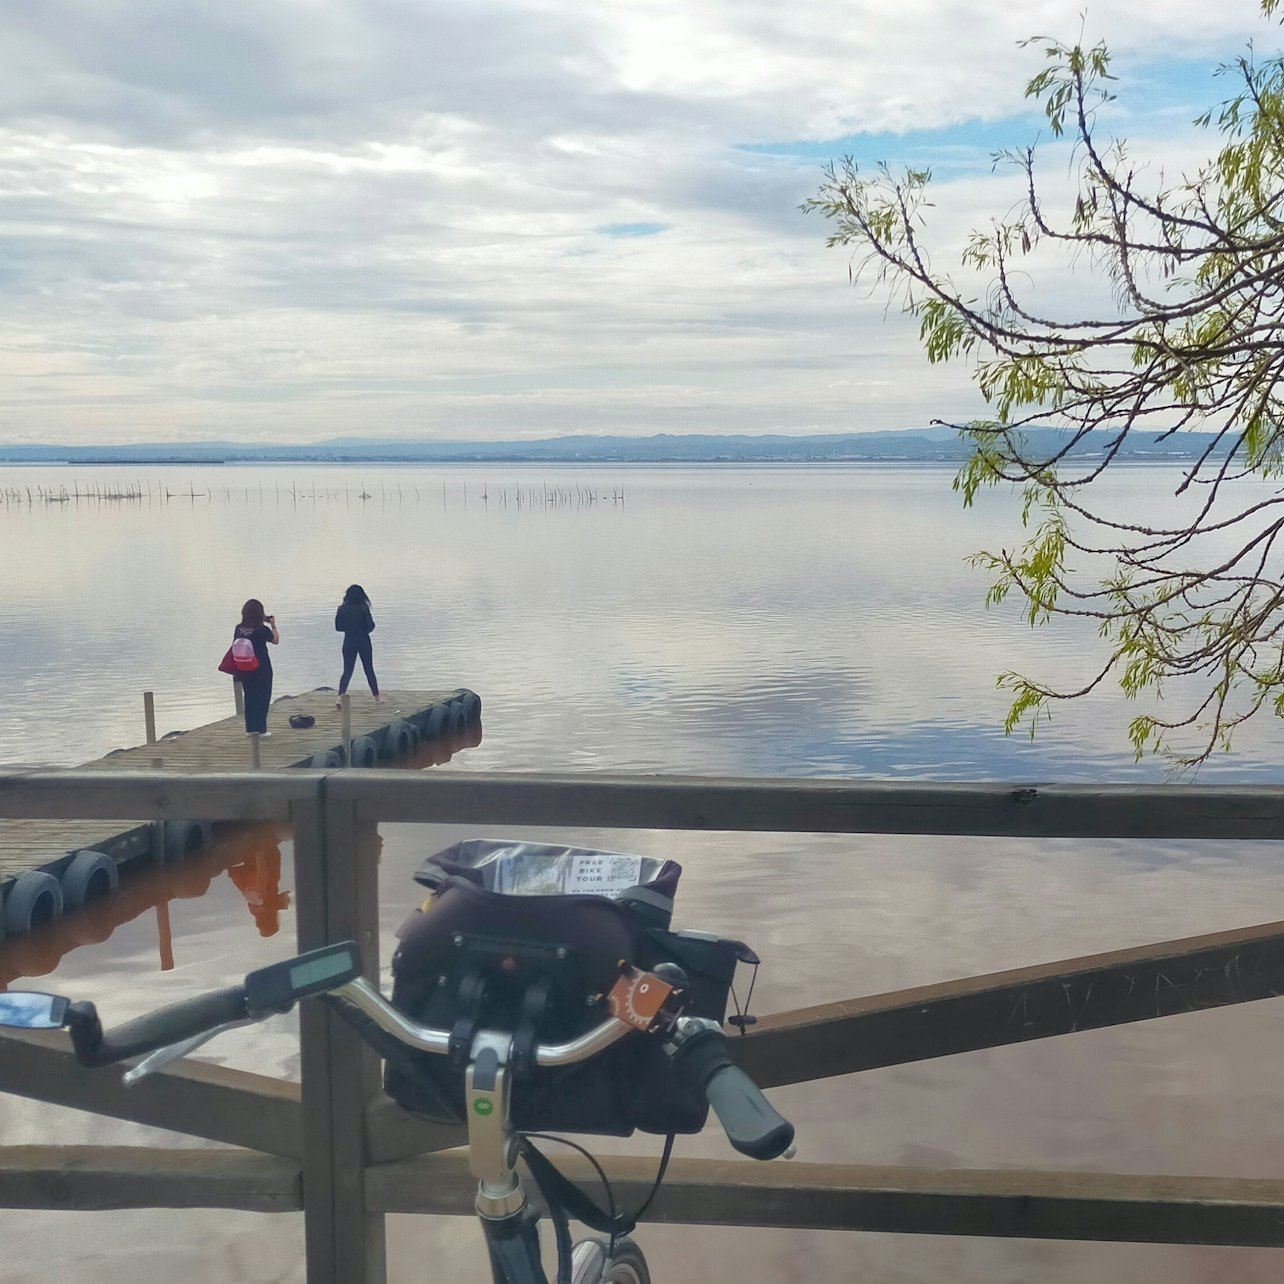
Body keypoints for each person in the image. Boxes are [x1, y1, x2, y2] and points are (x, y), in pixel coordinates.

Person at [234, 599, 279, 736]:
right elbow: (275, 640)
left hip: (244, 667)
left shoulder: (239, 628)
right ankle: (261, 729)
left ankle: (250, 729)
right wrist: (273, 626)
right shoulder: (261, 629)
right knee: (263, 697)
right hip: (261, 667)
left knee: (249, 697)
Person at [335, 583, 381, 707]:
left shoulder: (342, 608)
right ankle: (376, 697)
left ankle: (340, 698)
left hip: (349, 640)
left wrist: (349, 628)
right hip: (363, 640)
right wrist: (364, 630)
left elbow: (338, 627)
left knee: (347, 671)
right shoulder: (363, 608)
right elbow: (370, 626)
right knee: (369, 669)